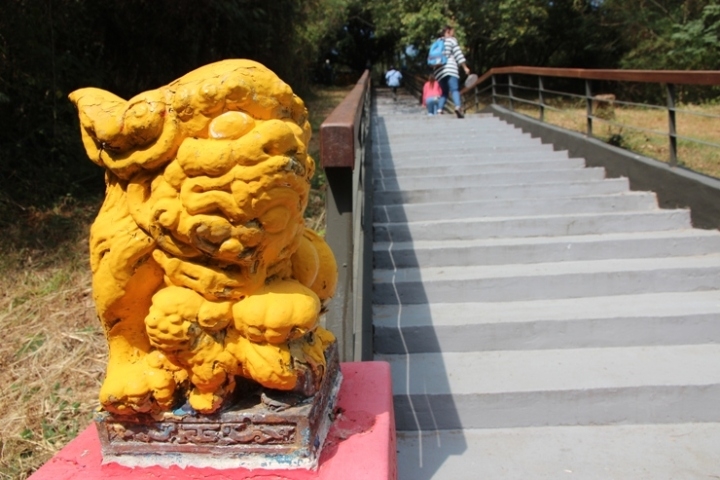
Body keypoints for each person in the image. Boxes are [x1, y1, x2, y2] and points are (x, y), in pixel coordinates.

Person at [434, 26, 471, 118]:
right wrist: (465, 67)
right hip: (450, 68)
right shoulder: (451, 41)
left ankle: (439, 110)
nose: (453, 34)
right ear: (448, 32)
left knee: (444, 92)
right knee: (454, 89)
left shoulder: (437, 42)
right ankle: (458, 107)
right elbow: (458, 54)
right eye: (452, 32)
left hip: (439, 71)